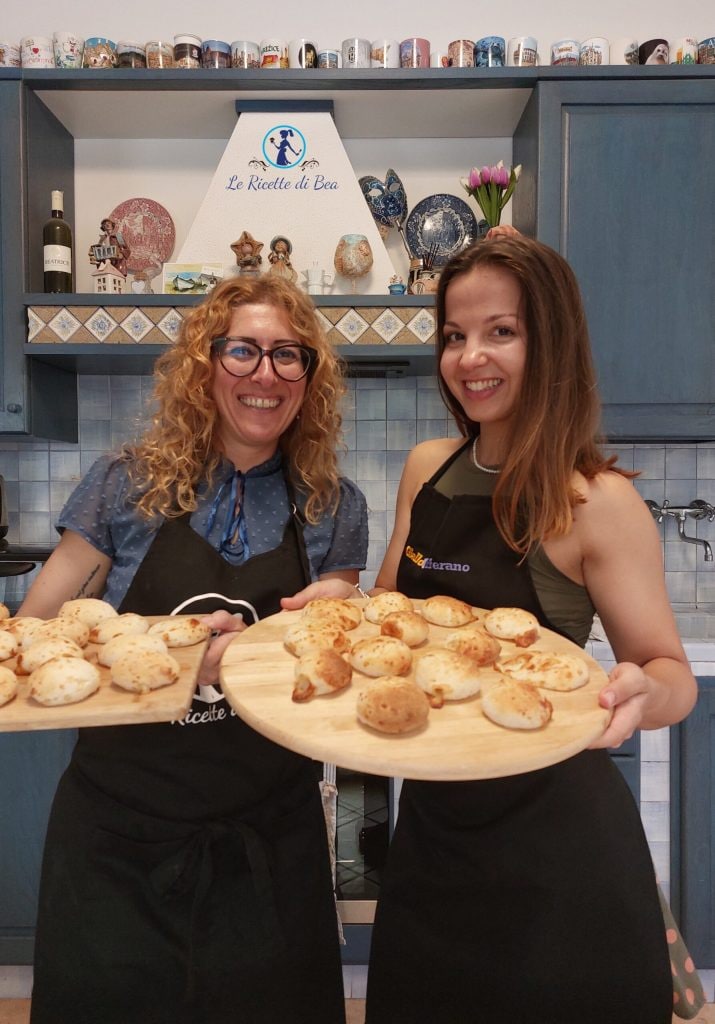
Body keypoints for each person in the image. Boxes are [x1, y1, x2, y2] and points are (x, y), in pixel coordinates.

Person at [285, 235, 698, 1023]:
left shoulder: (594, 502)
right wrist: (339, 606)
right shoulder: (428, 468)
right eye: (453, 335)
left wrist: (644, 693)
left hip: (557, 855)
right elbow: (389, 622)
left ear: (551, 342)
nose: (469, 357)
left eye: (500, 331)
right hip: (434, 839)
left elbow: (670, 674)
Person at [22, 274, 368, 1024]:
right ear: (203, 365)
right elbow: (38, 635)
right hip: (118, 839)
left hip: (268, 842)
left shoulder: (332, 506)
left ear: (308, 378)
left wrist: (337, 623)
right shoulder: (124, 485)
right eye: (242, 350)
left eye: (287, 354)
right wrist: (170, 658)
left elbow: (327, 666)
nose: (264, 373)